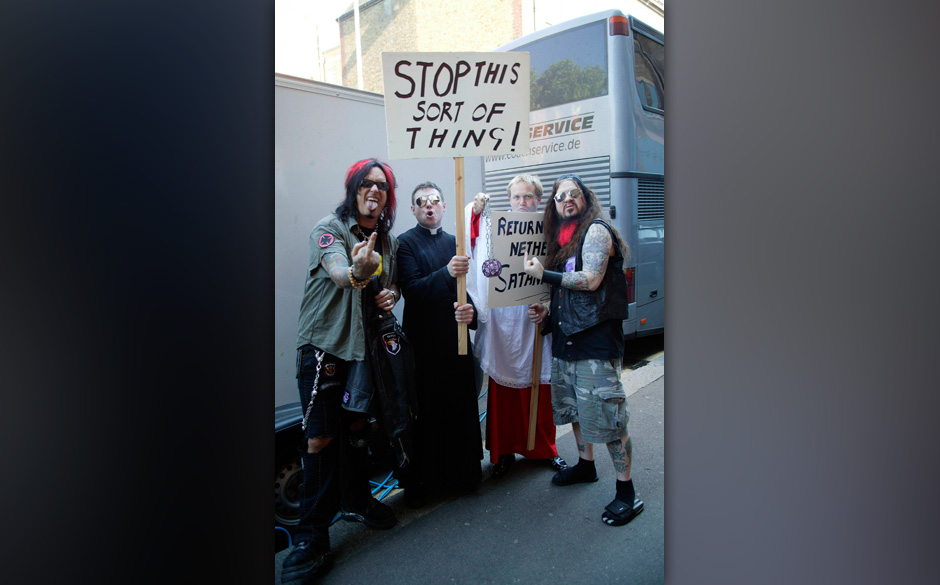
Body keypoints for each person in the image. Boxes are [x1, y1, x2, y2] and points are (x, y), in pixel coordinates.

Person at [282, 158, 403, 584]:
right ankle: (311, 537)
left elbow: (391, 284)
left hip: (364, 350)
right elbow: (340, 272)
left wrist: (388, 294)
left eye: (382, 186)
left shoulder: (387, 241)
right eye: (367, 185)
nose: (374, 191)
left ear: (388, 197)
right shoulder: (328, 228)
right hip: (325, 347)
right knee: (319, 438)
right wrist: (357, 271)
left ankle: (356, 500)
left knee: (356, 431)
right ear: (353, 189)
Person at [523, 173, 644, 527]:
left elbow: (590, 280)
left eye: (573, 194)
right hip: (565, 342)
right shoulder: (564, 239)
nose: (566, 200)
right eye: (560, 197)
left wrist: (544, 274)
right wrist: (548, 308)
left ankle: (627, 492)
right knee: (574, 409)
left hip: (594, 342)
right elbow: (568, 291)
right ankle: (585, 466)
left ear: (586, 197)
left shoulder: (596, 231)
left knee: (609, 418)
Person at [465, 175, 566, 479]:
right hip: (503, 322)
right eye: (517, 197)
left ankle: (545, 448)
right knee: (503, 391)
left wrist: (548, 308)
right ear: (509, 200)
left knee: (540, 387)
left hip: (535, 316)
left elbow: (562, 273)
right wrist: (476, 210)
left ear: (538, 199)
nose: (522, 203)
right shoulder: (494, 226)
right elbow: (470, 237)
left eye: (529, 197)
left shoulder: (551, 229)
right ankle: (503, 452)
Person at [396, 181, 483, 507]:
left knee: (461, 406)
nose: (429, 206)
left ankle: (466, 474)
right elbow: (414, 291)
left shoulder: (456, 243)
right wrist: (447, 272)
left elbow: (470, 290)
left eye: (435, 201)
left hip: (455, 341)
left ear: (445, 206)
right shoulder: (405, 244)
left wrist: (471, 314)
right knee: (427, 412)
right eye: (422, 202)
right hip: (425, 346)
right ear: (414, 209)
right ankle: (428, 481)